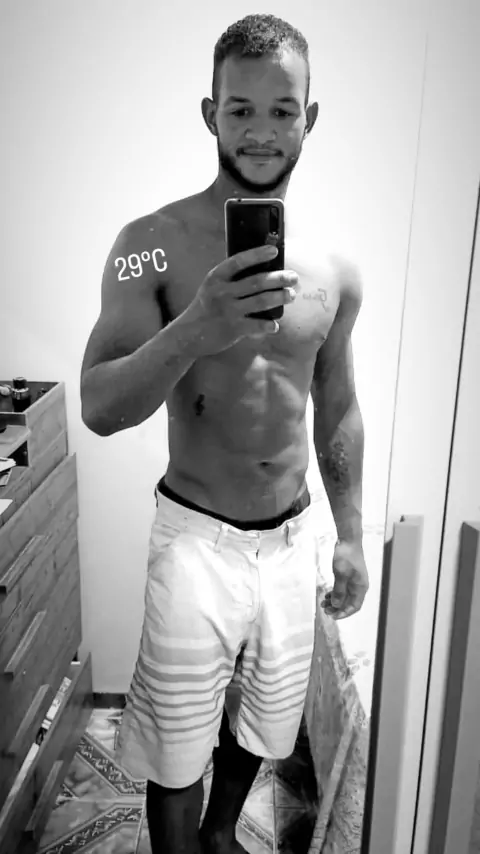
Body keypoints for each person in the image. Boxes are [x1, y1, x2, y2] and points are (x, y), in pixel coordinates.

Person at [80, 13, 369, 854]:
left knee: (266, 726)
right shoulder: (146, 247)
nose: (262, 130)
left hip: (291, 541)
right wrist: (194, 327)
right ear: (211, 114)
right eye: (241, 109)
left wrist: (351, 535)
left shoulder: (335, 269)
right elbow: (99, 406)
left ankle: (219, 836)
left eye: (283, 110)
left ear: (311, 119)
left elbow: (338, 404)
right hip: (194, 541)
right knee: (175, 747)